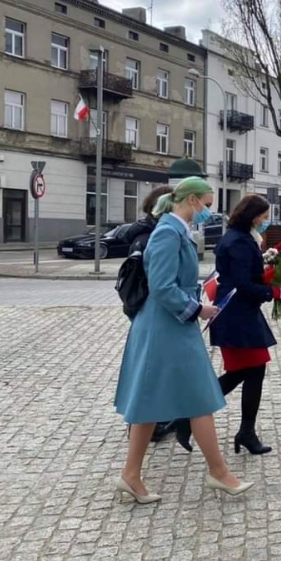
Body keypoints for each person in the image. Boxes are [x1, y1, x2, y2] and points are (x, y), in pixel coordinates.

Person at [114, 176, 253, 503]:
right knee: (198, 398)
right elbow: (162, 287)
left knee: (153, 401)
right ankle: (218, 473)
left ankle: (131, 475)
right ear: (192, 200)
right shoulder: (168, 232)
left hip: (170, 327)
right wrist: (197, 310)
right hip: (166, 328)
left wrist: (199, 298)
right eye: (207, 204)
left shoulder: (176, 230)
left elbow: (173, 282)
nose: (209, 211)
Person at [176, 194, 281, 455]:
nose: (265, 221)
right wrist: (270, 291)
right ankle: (190, 416)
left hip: (239, 315)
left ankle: (245, 431)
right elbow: (242, 284)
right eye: (263, 217)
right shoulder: (240, 242)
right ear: (252, 216)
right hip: (237, 317)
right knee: (245, 372)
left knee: (250, 371)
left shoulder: (237, 237)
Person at [121, 184, 176, 444]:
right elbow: (156, 280)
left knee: (153, 368)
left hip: (143, 306)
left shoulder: (148, 232)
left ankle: (156, 419)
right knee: (149, 370)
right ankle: (144, 424)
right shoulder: (152, 236)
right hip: (148, 307)